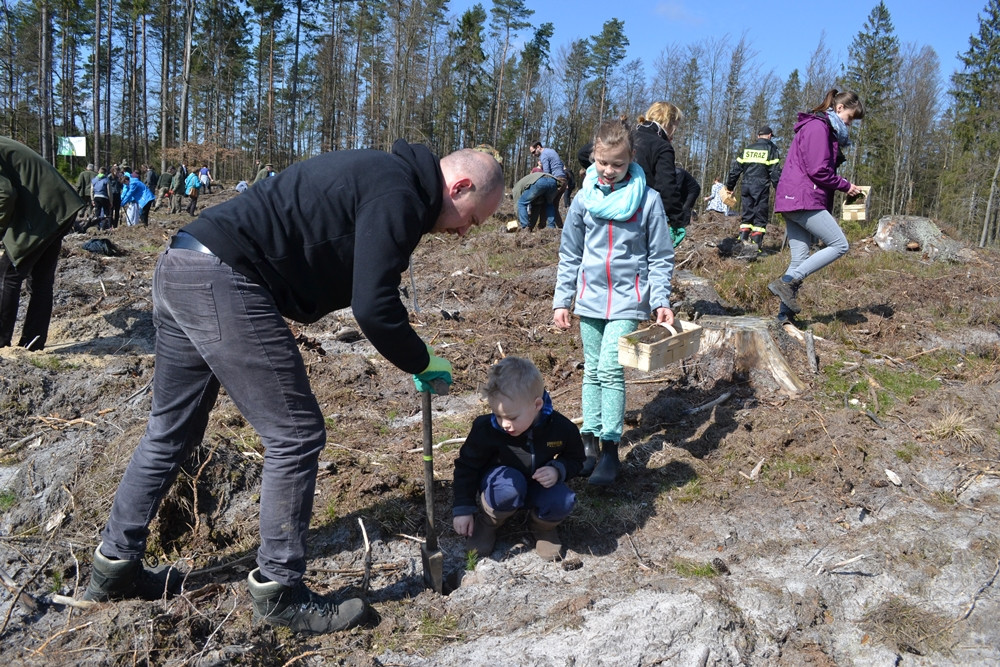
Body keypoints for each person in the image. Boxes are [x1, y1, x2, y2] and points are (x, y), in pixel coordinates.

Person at [82, 142, 504, 635]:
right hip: (223, 275)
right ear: (459, 187)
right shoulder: (401, 192)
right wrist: (420, 357)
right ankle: (280, 590)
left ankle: (114, 567)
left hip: (182, 264)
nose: (465, 233)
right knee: (296, 433)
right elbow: (374, 306)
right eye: (473, 219)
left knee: (170, 431)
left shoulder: (386, 175)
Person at [553, 120, 675, 485]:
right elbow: (570, 252)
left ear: (631, 159)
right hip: (589, 299)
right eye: (602, 162)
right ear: (594, 157)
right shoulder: (583, 199)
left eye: (617, 164)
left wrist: (660, 299)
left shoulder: (648, 200)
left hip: (628, 300)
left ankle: (610, 451)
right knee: (591, 370)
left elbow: (660, 256)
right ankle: (588, 445)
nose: (608, 171)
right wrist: (563, 299)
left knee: (609, 369)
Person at [452, 357, 585, 561]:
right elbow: (466, 467)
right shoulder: (485, 429)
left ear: (537, 405)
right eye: (497, 415)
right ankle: (489, 523)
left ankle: (542, 527)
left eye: (512, 417)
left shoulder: (561, 428)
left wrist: (558, 469)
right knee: (508, 487)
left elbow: (577, 458)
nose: (504, 424)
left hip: (538, 484)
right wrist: (463, 508)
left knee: (563, 500)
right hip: (502, 484)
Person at [769, 89, 865, 325]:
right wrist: (845, 186)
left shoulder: (822, 128)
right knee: (840, 245)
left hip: (795, 198)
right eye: (850, 118)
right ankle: (788, 282)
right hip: (803, 198)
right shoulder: (818, 127)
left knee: (799, 257)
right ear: (840, 108)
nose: (850, 124)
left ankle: (785, 318)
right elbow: (818, 170)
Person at [0, 138, 85, 350]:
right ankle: (33, 342)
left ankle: (1, 342)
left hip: (43, 211)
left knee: (7, 275)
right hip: (62, 207)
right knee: (41, 281)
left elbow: (4, 194)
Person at [725, 125, 782, 255]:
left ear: (758, 136)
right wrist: (779, 188)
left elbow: (735, 170)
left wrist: (730, 187)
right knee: (760, 216)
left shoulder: (747, 149)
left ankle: (742, 243)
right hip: (761, 185)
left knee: (746, 215)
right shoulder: (771, 149)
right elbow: (774, 172)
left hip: (746, 185)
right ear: (769, 135)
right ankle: (756, 247)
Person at [633, 103, 685, 242]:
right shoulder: (661, 146)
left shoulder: (625, 135)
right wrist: (677, 220)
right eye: (676, 127)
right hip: (641, 213)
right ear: (670, 123)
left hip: (611, 209)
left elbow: (584, 153)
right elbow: (666, 186)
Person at [518, 141, 566, 229]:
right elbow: (561, 165)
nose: (533, 155)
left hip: (556, 179)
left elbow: (546, 173)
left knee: (528, 202)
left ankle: (529, 227)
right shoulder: (552, 151)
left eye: (533, 152)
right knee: (550, 204)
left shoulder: (544, 154)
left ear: (538, 147)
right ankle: (551, 228)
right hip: (562, 179)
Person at [672, 166, 701, 248]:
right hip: (685, 191)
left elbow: (677, 189)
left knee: (685, 208)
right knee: (679, 206)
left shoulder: (679, 173)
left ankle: (686, 227)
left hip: (693, 190)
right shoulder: (670, 174)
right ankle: (677, 226)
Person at [90, 166, 112, 230]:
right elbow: (109, 192)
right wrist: (111, 201)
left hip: (96, 196)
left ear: (98, 171)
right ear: (105, 173)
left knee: (97, 212)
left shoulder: (94, 180)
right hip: (104, 197)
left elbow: (91, 190)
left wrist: (92, 199)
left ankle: (97, 226)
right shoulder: (106, 180)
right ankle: (104, 226)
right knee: (106, 212)